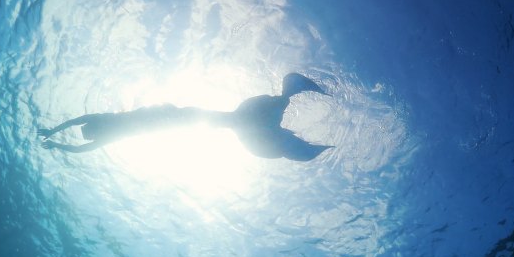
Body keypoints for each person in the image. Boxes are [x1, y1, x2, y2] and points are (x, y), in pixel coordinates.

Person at [39, 73, 333, 161]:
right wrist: (54, 135)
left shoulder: (105, 126)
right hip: (179, 118)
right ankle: (283, 104)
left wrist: (54, 136)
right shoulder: (108, 127)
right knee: (227, 121)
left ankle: (283, 104)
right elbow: (78, 133)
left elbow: (79, 135)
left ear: (95, 128)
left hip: (179, 119)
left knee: (228, 120)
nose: (91, 128)